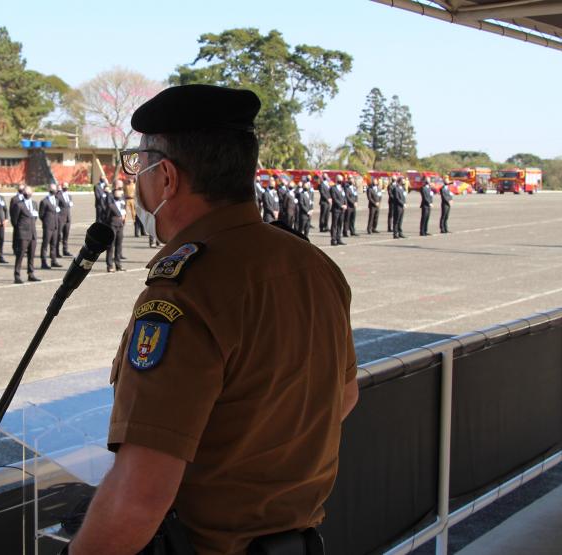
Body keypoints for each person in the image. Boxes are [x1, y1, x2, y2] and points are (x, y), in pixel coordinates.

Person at [71, 84, 357, 555]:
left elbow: (139, 496)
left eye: (138, 166)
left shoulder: (186, 291)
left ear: (166, 177)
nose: (135, 181)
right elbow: (344, 395)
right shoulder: (314, 265)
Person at [9, 185, 40, 284]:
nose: (27, 194)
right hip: (23, 234)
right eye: (26, 192)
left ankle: (31, 273)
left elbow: (35, 217)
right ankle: (17, 275)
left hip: (33, 233)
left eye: (29, 192)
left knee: (31, 255)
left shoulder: (34, 204)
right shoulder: (19, 205)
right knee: (20, 255)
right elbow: (14, 220)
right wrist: (20, 229)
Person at [39, 184, 62, 269]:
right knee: (45, 245)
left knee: (54, 244)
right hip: (48, 226)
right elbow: (41, 215)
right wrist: (46, 222)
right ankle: (43, 262)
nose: (54, 190)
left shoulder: (56, 200)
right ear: (49, 189)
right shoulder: (44, 201)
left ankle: (53, 261)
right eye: (52, 189)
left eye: (55, 189)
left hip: (55, 226)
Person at [106, 187, 126, 272]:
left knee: (119, 245)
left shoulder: (122, 203)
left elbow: (123, 212)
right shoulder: (111, 204)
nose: (119, 195)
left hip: (120, 225)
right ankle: (110, 265)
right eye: (117, 193)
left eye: (120, 193)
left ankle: (118, 264)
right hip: (112, 225)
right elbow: (108, 215)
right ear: (113, 195)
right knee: (110, 246)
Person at [57, 182, 74, 256]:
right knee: (58, 235)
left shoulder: (69, 196)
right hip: (61, 218)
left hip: (68, 218)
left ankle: (65, 250)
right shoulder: (58, 195)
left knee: (66, 235)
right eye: (64, 186)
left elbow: (69, 205)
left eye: (67, 186)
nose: (65, 187)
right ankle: (56, 252)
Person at [330, 175, 348, 246]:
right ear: (336, 180)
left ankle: (338, 238)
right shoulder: (333, 188)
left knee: (340, 224)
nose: (341, 181)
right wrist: (341, 205)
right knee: (334, 224)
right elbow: (334, 199)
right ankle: (333, 239)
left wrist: (345, 204)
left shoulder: (342, 188)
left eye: (341, 180)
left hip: (342, 210)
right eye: (339, 180)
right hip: (336, 209)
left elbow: (344, 197)